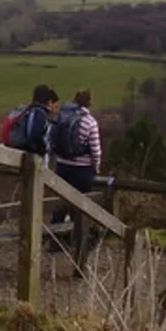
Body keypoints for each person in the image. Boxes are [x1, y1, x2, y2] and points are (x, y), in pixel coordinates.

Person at [50, 89, 102, 227]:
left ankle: (54, 240)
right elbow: (95, 150)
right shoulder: (90, 122)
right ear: (89, 103)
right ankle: (77, 241)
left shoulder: (62, 116)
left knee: (60, 205)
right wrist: (96, 167)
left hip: (62, 166)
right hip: (82, 170)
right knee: (81, 206)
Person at [16, 84, 57, 156]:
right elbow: (35, 135)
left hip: (23, 148)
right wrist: (42, 150)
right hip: (33, 152)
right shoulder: (40, 113)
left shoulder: (30, 109)